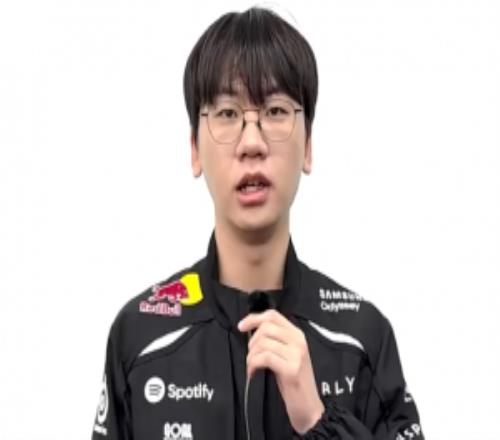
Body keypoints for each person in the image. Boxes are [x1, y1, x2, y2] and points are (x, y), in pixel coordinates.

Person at [91, 7, 424, 440]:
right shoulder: (140, 336)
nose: (252, 142)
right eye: (228, 114)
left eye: (276, 111)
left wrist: (319, 421)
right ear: (194, 149)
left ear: (308, 146)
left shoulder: (362, 338)